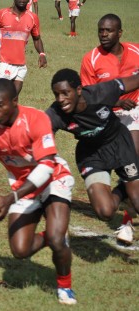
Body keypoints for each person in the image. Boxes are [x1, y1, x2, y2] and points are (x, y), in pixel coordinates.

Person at [0, 78, 77, 305]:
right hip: (23, 188)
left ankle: (64, 286)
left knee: (58, 241)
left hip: (53, 180)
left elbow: (47, 166)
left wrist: (11, 198)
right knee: (20, 250)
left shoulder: (36, 119)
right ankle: (52, 234)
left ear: (15, 101)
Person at [46, 69, 139, 245]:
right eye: (56, 94)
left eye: (65, 93)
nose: (61, 99)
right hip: (91, 154)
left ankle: (127, 184)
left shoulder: (102, 92)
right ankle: (123, 188)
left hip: (119, 143)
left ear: (79, 90)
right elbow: (40, 130)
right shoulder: (56, 113)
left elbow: (135, 80)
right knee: (105, 212)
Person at [80, 14, 139, 157]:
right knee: (108, 159)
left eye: (108, 30)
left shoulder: (136, 51)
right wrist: (117, 101)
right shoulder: (91, 59)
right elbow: (89, 96)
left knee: (134, 154)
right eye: (100, 30)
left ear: (119, 33)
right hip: (105, 113)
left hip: (134, 110)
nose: (104, 34)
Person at [0, 0, 47, 98]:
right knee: (2, 96)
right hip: (3, 61)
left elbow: (37, 39)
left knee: (13, 98)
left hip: (20, 63)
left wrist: (42, 54)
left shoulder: (33, 17)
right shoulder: (2, 14)